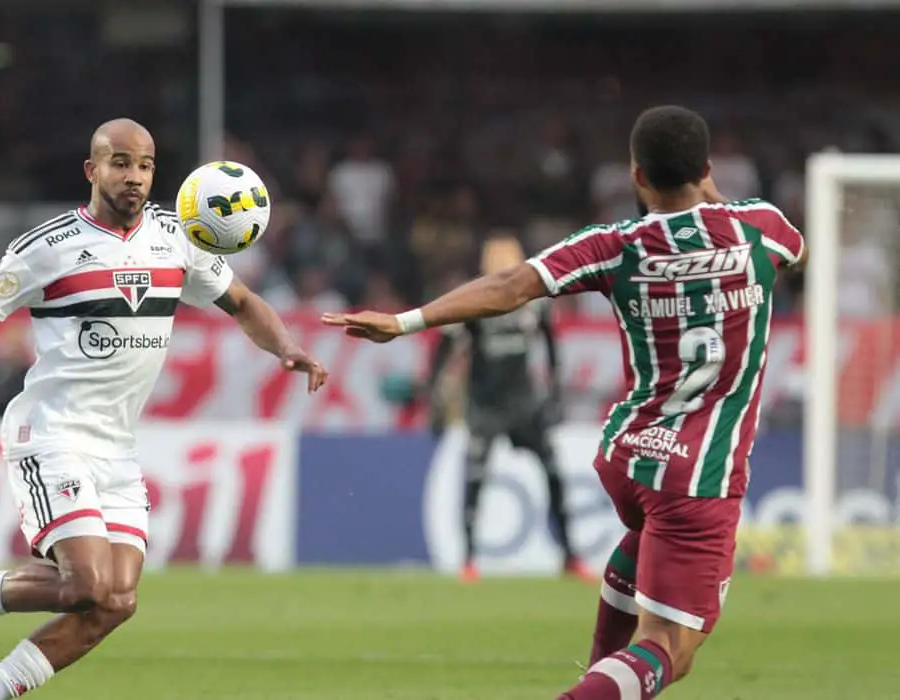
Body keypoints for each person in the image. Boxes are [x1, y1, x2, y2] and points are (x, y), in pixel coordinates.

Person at [323, 105, 806, 700]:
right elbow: (788, 247)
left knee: (639, 552)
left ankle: (596, 680)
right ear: (708, 167)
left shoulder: (616, 244)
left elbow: (510, 287)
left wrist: (404, 321)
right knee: (669, 652)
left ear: (636, 177)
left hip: (628, 456)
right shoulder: (761, 226)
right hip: (698, 474)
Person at [0, 118, 328, 699]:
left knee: (117, 602)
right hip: (51, 434)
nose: (133, 176)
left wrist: (286, 346)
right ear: (93, 170)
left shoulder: (178, 237)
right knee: (84, 586)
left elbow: (242, 303)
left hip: (116, 446)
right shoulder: (48, 248)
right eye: (119, 163)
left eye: (144, 165)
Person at [426, 233, 595, 583]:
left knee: (554, 474)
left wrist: (553, 394)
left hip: (524, 403)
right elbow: (444, 348)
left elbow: (551, 347)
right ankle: (469, 560)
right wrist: (437, 399)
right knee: (476, 479)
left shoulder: (534, 301)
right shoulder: (476, 300)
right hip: (485, 405)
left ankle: (570, 555)